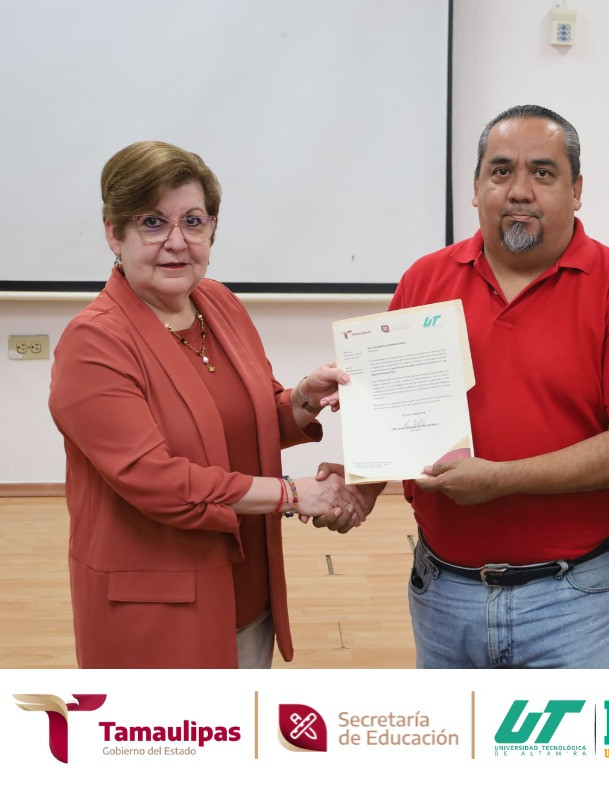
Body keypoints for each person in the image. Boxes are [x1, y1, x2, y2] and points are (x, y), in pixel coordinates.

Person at [49, 141, 381, 669]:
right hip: (156, 616)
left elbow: (244, 423)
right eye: (153, 223)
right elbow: (158, 481)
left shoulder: (218, 303)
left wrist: (302, 399)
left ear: (212, 229)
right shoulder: (94, 342)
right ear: (114, 233)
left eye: (193, 221)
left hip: (248, 592)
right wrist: (294, 493)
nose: (177, 242)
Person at [389, 105, 609, 668]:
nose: (519, 190)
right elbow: (394, 418)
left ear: (576, 191)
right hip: (443, 593)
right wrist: (358, 485)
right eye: (501, 171)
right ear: (476, 187)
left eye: (543, 173)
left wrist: (500, 480)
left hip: (575, 600)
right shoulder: (424, 280)